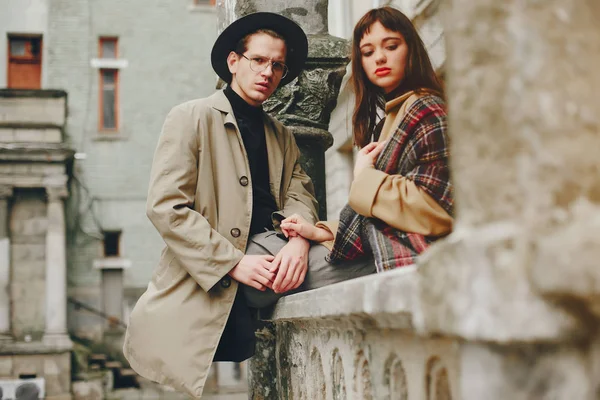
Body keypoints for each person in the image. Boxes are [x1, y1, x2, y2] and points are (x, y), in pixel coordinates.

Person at [122, 12, 373, 399]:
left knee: (365, 255)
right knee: (367, 257)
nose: (268, 72)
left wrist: (299, 242)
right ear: (234, 62)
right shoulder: (191, 118)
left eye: (277, 65)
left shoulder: (282, 136)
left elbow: (300, 195)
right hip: (225, 271)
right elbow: (166, 207)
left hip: (276, 254)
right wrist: (234, 262)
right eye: (259, 60)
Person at [281, 6, 454, 272]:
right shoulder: (388, 117)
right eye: (368, 52)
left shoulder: (426, 109)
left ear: (411, 50)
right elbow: (385, 214)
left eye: (391, 46)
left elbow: (437, 209)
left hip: (420, 256)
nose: (380, 58)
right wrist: (322, 232)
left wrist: (364, 178)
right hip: (390, 248)